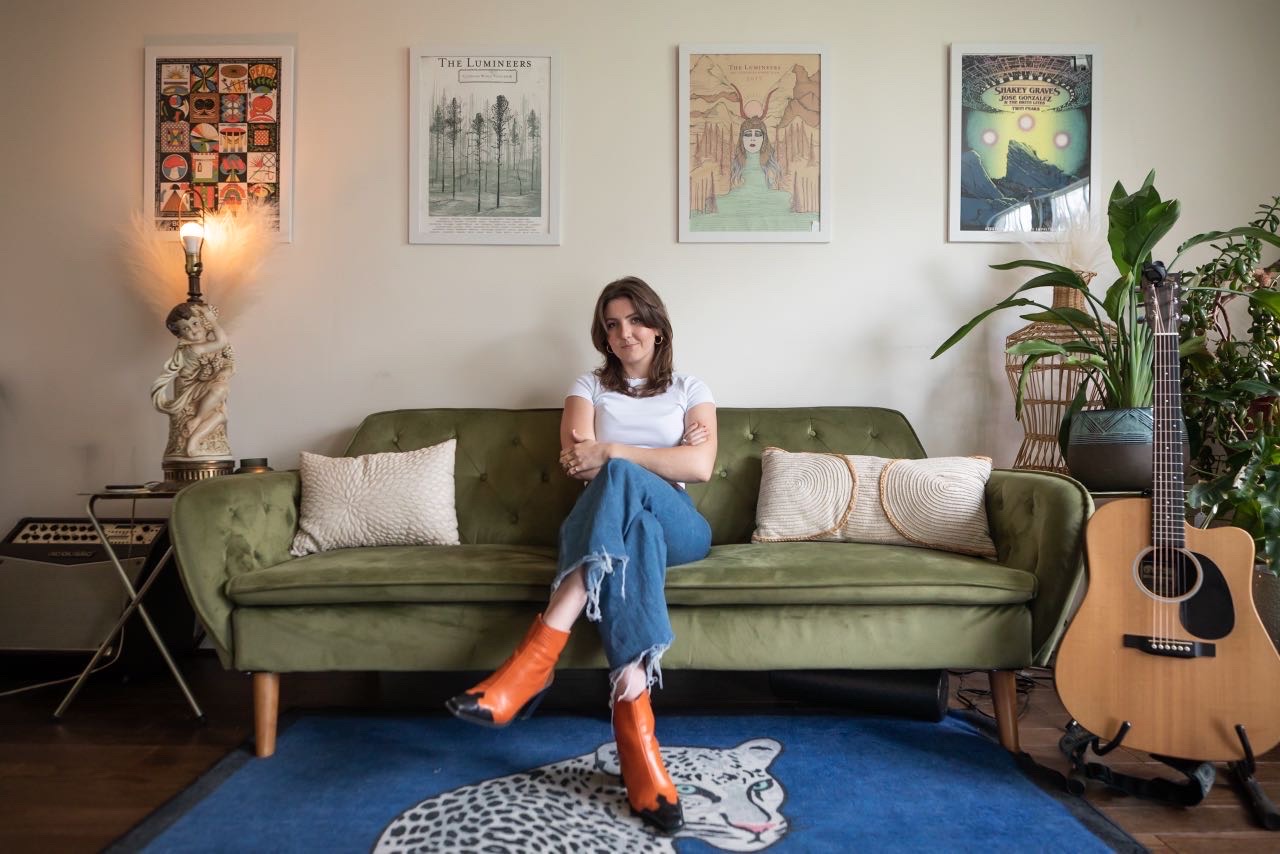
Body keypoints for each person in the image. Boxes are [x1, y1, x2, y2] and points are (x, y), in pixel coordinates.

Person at [447, 276, 718, 833]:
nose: (626, 333)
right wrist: (659, 454)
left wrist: (614, 449)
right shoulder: (588, 385)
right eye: (612, 325)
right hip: (623, 529)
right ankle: (638, 740)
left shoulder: (691, 388)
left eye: (636, 320)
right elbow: (576, 464)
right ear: (603, 335)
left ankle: (536, 656)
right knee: (633, 528)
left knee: (622, 476)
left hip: (683, 527)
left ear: (658, 325)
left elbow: (698, 469)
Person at [151, 301, 235, 458]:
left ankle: (194, 441)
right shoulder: (193, 349)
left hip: (202, 385)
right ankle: (197, 419)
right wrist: (211, 318)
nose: (194, 331)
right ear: (180, 335)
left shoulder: (208, 346)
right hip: (189, 389)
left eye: (195, 323)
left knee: (221, 415)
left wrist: (226, 371)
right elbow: (222, 341)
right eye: (186, 329)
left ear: (202, 323)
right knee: (220, 389)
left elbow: (228, 362)